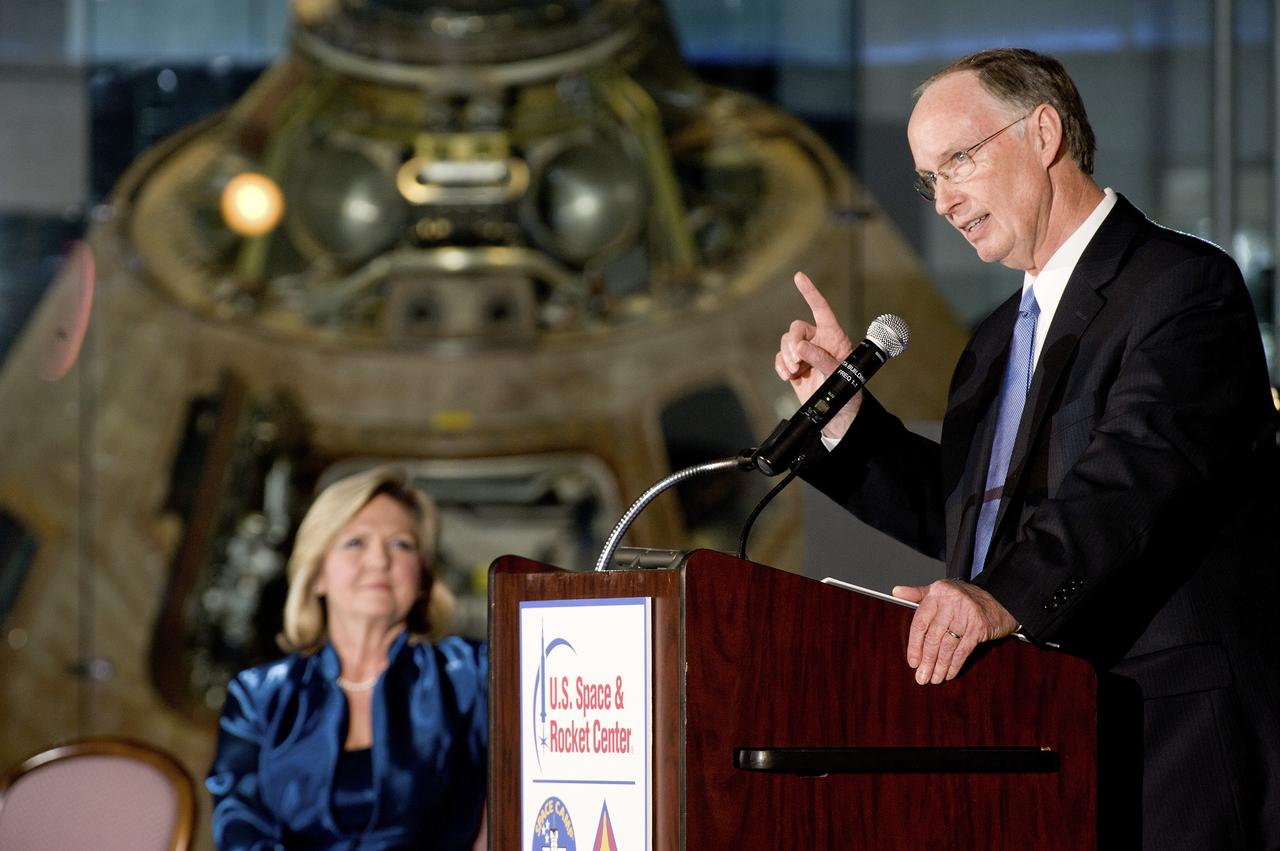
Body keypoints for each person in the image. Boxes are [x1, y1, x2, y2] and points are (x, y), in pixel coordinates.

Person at [776, 48, 1280, 847]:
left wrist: (995, 596)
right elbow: (967, 523)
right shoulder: (989, 349)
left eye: (958, 160)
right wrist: (842, 418)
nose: (942, 199)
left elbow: (1133, 479)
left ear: (1043, 132)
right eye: (927, 179)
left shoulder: (1180, 287)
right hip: (1036, 740)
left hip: (1167, 742)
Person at [206, 465, 487, 850]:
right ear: (317, 573)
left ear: (421, 578)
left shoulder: (473, 674)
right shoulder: (258, 696)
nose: (379, 561)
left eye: (401, 544)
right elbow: (239, 825)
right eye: (355, 543)